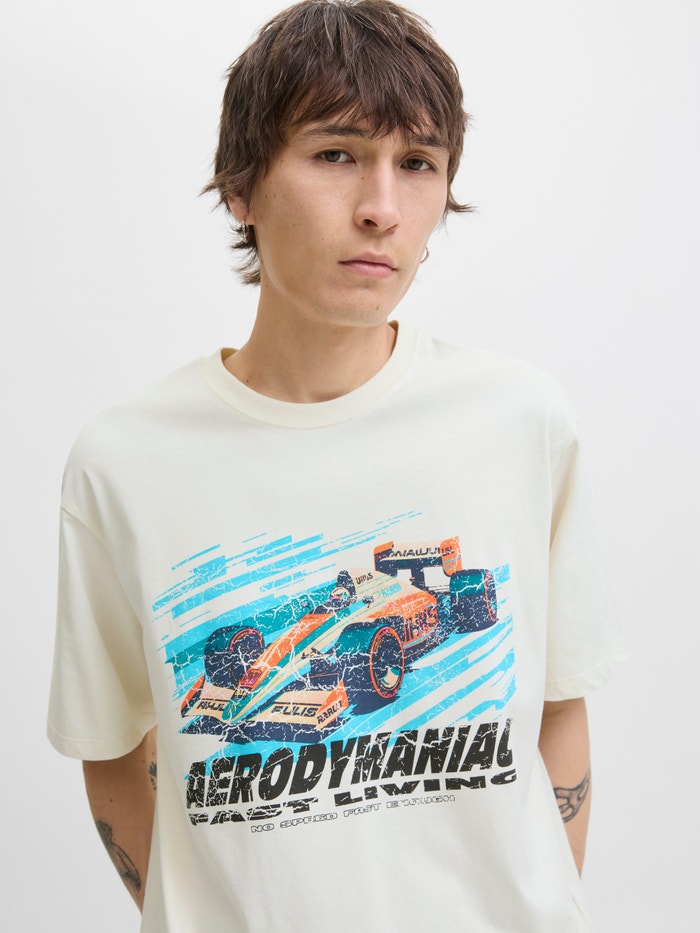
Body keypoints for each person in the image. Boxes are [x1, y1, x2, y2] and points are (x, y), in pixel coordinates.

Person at [47, 1, 625, 930]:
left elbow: (560, 708)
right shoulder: (124, 462)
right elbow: (112, 749)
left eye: (418, 163)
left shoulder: (522, 420)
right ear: (242, 187)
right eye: (336, 154)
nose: (382, 208)